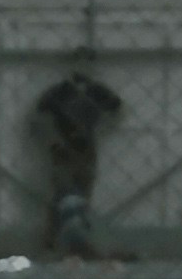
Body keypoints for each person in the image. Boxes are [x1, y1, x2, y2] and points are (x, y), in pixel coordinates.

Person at [31, 63, 124, 257]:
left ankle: (80, 243)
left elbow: (118, 109)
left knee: (83, 195)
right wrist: (53, 139)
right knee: (61, 196)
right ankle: (52, 243)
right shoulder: (60, 91)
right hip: (63, 149)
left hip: (86, 149)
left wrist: (101, 128)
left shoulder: (97, 91)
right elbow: (40, 115)